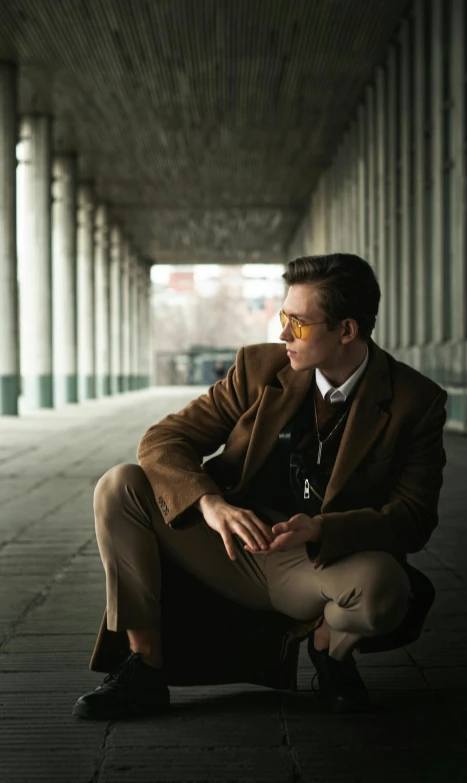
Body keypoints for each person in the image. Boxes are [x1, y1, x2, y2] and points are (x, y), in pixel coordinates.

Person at [73, 253, 447, 720]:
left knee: (384, 589)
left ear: (346, 330)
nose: (283, 333)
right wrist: (210, 504)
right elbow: (163, 439)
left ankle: (330, 650)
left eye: (299, 323)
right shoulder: (259, 368)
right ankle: (144, 666)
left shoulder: (416, 401)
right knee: (119, 485)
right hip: (229, 544)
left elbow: (414, 519)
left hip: (315, 562)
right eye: (283, 316)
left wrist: (319, 530)